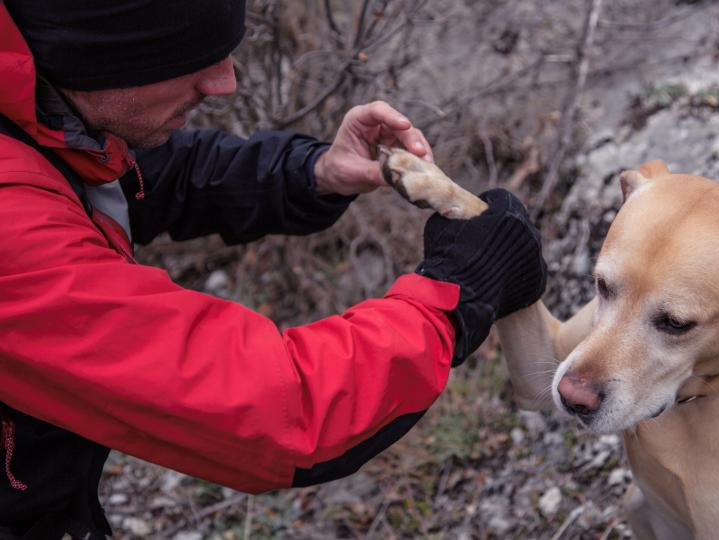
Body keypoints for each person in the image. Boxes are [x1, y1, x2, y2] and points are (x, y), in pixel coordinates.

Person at [0, 1, 547, 538]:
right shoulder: (12, 236)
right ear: (94, 58)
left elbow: (139, 176)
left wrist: (312, 172)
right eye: (186, 58)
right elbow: (281, 413)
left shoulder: (40, 115)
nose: (225, 83)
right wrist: (458, 291)